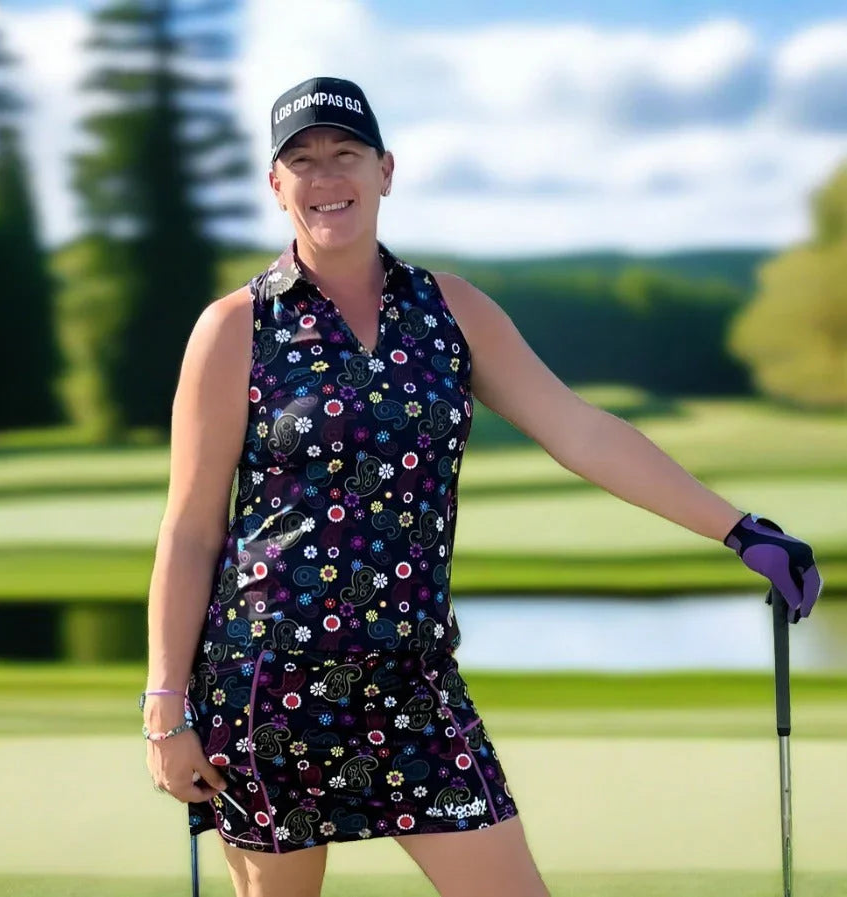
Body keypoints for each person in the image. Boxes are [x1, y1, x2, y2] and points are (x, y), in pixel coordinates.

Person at [142, 75, 824, 897]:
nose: (326, 177)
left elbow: (580, 430)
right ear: (276, 184)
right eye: (303, 160)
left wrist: (738, 528)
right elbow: (189, 531)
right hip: (266, 681)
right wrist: (166, 704)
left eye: (345, 154)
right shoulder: (233, 328)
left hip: (413, 678)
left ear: (385, 170)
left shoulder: (449, 310)